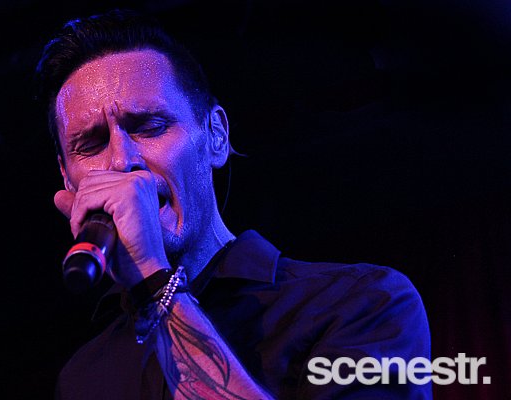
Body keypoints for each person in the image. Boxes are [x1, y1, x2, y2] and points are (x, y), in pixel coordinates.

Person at [34, 8, 432, 399]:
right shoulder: (84, 377)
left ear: (216, 136)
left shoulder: (361, 303)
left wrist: (155, 286)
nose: (123, 161)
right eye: (91, 144)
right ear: (68, 180)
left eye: (150, 126)